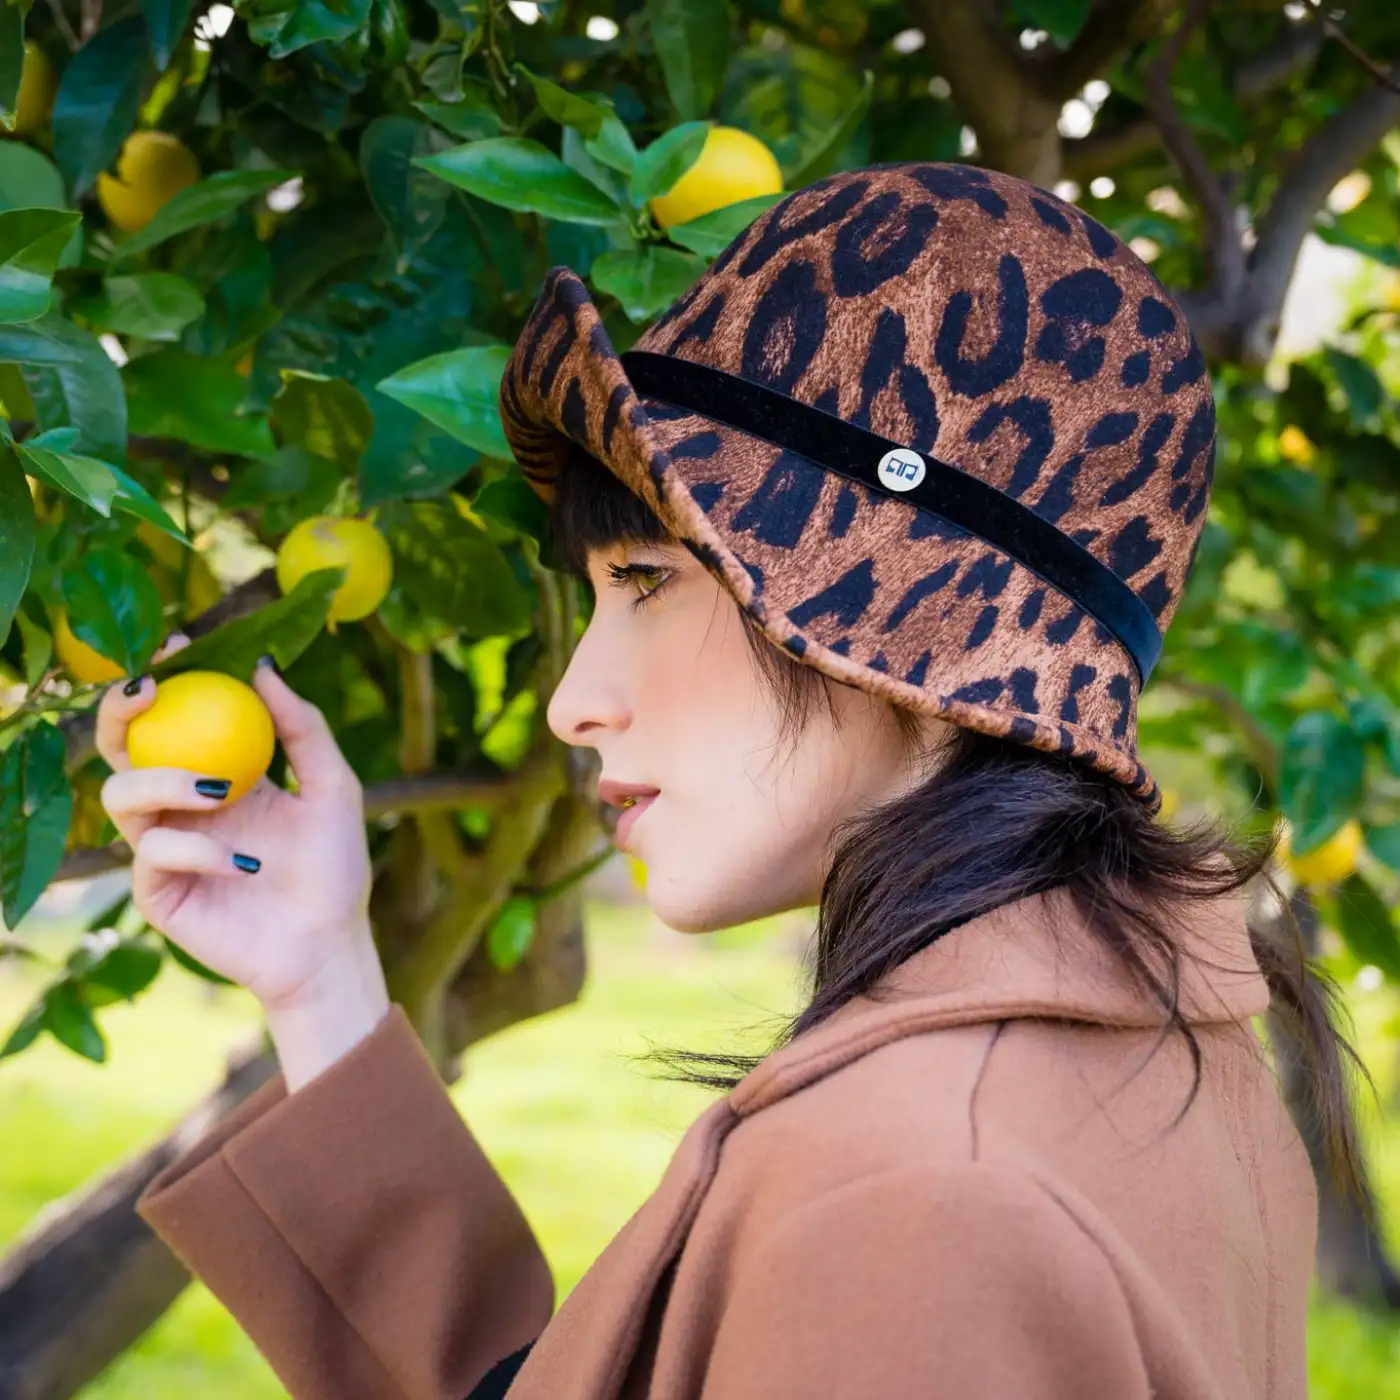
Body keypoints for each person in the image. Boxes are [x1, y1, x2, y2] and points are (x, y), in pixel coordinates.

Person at [98, 164, 1357, 1400]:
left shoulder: (917, 1195)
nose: (569, 699)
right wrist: (320, 971)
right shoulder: (1155, 1042)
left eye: (645, 580)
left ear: (896, 611)